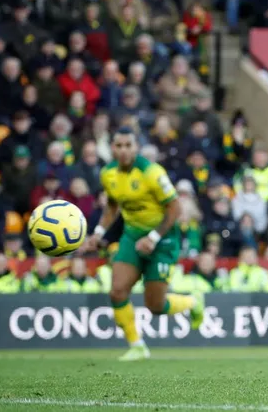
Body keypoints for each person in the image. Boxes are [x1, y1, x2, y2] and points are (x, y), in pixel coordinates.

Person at [82, 127, 204, 361]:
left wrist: (154, 238)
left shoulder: (152, 172)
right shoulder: (108, 174)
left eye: (128, 145)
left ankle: (193, 301)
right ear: (112, 148)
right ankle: (137, 345)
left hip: (163, 240)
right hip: (131, 236)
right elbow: (111, 206)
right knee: (117, 291)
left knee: (155, 306)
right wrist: (98, 232)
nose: (124, 150)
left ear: (136, 147)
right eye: (119, 146)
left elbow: (175, 207)